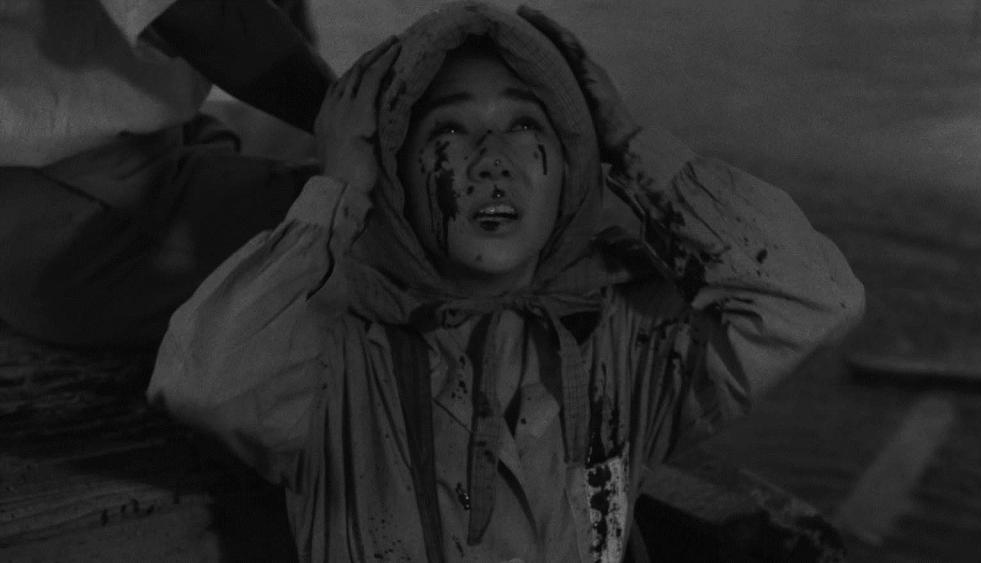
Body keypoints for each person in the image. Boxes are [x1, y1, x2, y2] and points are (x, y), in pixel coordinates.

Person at [147, 2, 865, 561]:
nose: (491, 159)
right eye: (448, 132)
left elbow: (813, 298)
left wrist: (634, 144)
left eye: (525, 127)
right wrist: (335, 192)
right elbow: (203, 382)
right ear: (392, 176)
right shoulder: (338, 363)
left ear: (571, 170)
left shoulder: (624, 345)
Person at [0, 0, 332, 346]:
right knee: (360, 221)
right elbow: (207, 17)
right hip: (83, 221)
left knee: (278, 137)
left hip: (102, 147)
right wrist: (347, 114)